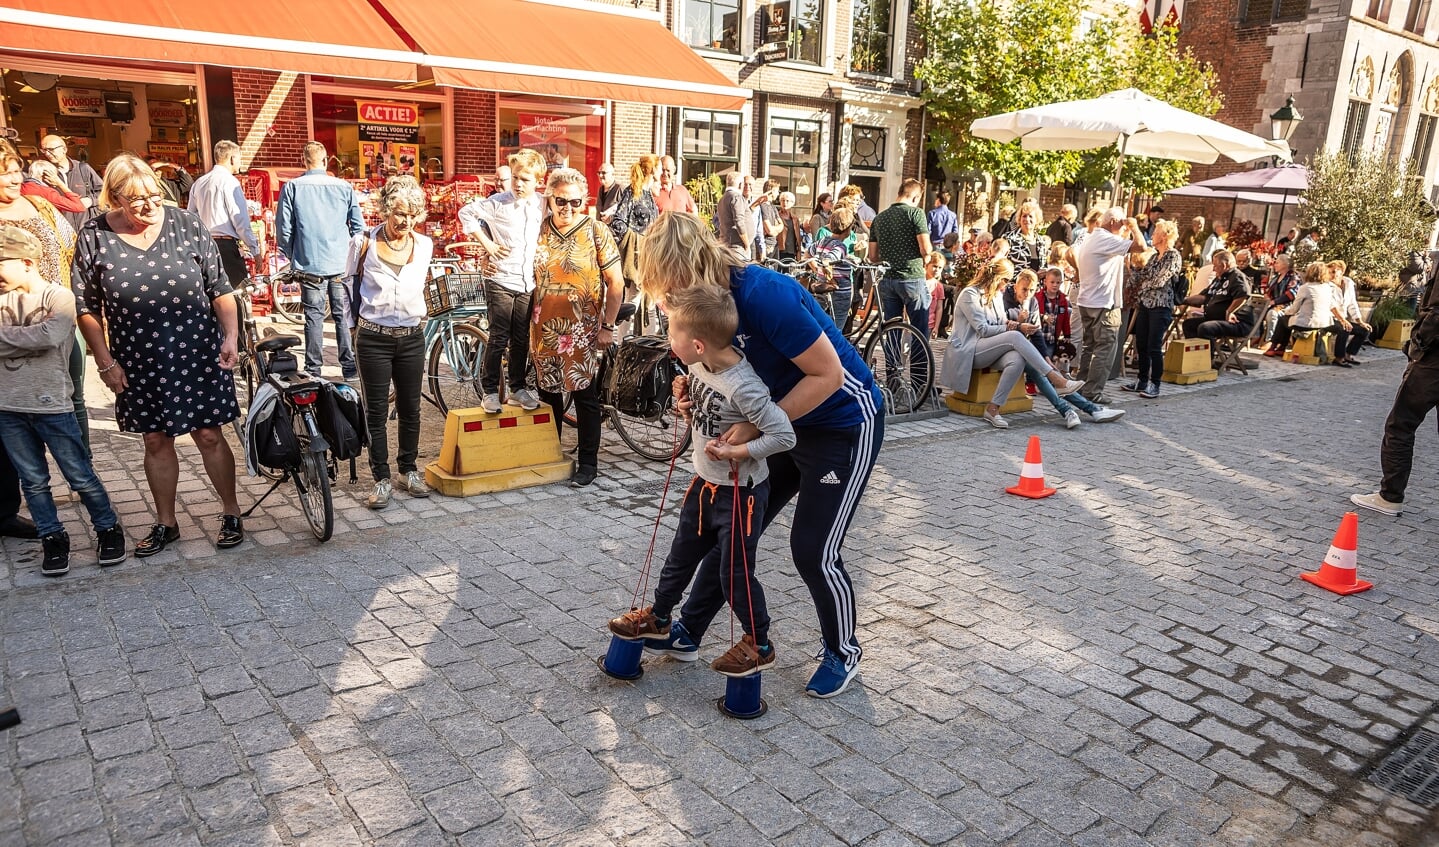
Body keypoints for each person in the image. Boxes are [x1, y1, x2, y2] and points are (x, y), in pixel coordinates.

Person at [639, 212, 882, 698]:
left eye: (667, 289)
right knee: (727, 530)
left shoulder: (762, 294)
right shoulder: (703, 306)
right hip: (776, 426)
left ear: (687, 267)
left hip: (840, 424)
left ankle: (843, 651)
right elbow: (722, 372)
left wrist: (752, 426)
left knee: (813, 551)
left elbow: (827, 377)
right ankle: (687, 631)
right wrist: (692, 392)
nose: (665, 302)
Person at [608, 283, 796, 676]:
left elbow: (784, 436)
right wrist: (685, 404)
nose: (666, 337)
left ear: (696, 344)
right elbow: (706, 418)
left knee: (734, 576)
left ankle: (758, 642)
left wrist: (738, 453)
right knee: (679, 558)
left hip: (740, 496)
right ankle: (659, 617)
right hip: (703, 485)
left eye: (671, 333)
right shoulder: (698, 365)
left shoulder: (745, 386)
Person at [72, 154, 244, 556]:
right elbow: (86, 306)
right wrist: (105, 362)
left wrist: (231, 336)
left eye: (154, 195)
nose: (149, 206)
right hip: (137, 357)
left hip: (198, 349)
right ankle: (167, 522)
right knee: (155, 439)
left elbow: (220, 288)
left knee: (208, 434)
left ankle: (232, 512)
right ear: (114, 198)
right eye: (136, 200)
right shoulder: (94, 235)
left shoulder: (185, 224)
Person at [0, 225, 125, 575]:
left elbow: (52, 335)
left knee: (79, 474)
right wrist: (28, 338)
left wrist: (16, 339)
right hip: (8, 408)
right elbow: (39, 338)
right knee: (33, 481)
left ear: (25, 261)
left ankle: (107, 528)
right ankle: (52, 537)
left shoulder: (59, 297)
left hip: (52, 405)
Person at [531, 169, 624, 487]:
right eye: (560, 200)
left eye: (574, 201)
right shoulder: (539, 229)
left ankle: (588, 463)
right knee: (548, 395)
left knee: (584, 396)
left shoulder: (596, 231)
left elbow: (616, 282)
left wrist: (607, 326)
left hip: (583, 333)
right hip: (543, 330)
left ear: (584, 201)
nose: (567, 207)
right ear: (550, 198)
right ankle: (550, 454)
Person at [347, 176, 434, 509]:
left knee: (411, 408)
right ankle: (381, 478)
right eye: (399, 213)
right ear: (385, 210)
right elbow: (347, 287)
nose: (406, 222)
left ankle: (408, 470)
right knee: (376, 411)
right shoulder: (363, 242)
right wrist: (353, 329)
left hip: (411, 336)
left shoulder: (424, 245)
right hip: (374, 338)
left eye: (412, 215)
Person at [942, 258, 1088, 428]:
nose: (1006, 286)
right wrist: (1014, 326)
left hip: (987, 347)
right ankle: (1057, 380)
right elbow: (982, 329)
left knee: (1017, 359)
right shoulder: (970, 294)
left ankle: (993, 409)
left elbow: (1000, 324)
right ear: (997, 278)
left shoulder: (996, 295)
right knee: (1015, 336)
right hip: (968, 350)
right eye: (1006, 280)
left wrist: (1010, 325)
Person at [460, 148, 546, 414]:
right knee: (499, 335)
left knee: (521, 337)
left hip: (526, 281)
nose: (519, 184)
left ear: (538, 181)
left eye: (526, 179)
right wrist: (487, 244)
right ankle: (489, 391)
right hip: (500, 277)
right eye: (516, 178)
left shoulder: (542, 203)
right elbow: (466, 213)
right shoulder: (498, 202)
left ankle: (517, 387)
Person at [1350, 265, 1439, 517]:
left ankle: (1390, 496)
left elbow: (1436, 312)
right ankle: (1390, 495)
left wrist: (1417, 346)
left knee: (1401, 424)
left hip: (1433, 360)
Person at [275, 141, 365, 380]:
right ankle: (349, 367)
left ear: (304, 161)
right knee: (343, 316)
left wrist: (291, 254)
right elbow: (358, 228)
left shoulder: (292, 186)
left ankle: (314, 369)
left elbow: (284, 228)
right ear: (325, 161)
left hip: (309, 262)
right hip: (340, 262)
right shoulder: (344, 187)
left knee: (313, 316)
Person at [1073, 207, 1146, 403]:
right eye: (1121, 224)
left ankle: (1082, 386)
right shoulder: (1105, 239)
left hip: (1087, 300)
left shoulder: (1091, 237)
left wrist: (1124, 229)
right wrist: (1134, 226)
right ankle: (1093, 392)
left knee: (1089, 347)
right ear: (1114, 222)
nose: (1123, 228)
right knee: (1105, 349)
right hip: (1103, 304)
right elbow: (1141, 247)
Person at [868, 179, 934, 347]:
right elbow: (926, 249)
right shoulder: (916, 214)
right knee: (919, 331)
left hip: (888, 280)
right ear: (915, 197)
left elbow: (873, 256)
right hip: (911, 277)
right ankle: (919, 373)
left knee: (891, 330)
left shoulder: (879, 218)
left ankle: (892, 372)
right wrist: (926, 259)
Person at [1123, 219, 1182, 399]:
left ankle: (1155, 384)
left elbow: (1159, 280)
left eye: (1156, 232)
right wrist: (1131, 273)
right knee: (1141, 344)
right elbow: (1144, 274)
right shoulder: (1155, 256)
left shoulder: (1173, 256)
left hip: (1161, 306)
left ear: (1164, 236)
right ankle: (1141, 381)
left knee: (1154, 346)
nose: (1153, 235)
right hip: (1146, 305)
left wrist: (1141, 285)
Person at [189, 140, 260, 288]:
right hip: (226, 247)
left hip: (205, 245)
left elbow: (191, 217)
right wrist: (255, 250)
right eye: (239, 158)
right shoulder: (230, 182)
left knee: (211, 294)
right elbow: (240, 220)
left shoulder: (199, 182)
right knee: (236, 295)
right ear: (232, 159)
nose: (240, 162)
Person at [1180, 250, 1255, 351]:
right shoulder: (1219, 279)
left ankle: (1207, 360)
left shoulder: (1237, 277)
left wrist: (1229, 311)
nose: (1214, 269)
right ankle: (1196, 356)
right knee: (1189, 324)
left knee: (1206, 328)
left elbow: (1243, 295)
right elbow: (1203, 297)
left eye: (1215, 266)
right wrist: (1182, 300)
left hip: (1237, 322)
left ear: (1224, 265)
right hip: (1217, 319)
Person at [1270, 261, 1339, 355]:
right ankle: (1281, 347)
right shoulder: (1327, 288)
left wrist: (1285, 311)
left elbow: (1294, 309)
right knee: (1287, 320)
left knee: (1283, 319)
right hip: (1324, 323)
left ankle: (1274, 346)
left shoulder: (1306, 288)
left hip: (1307, 324)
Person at [809, 204, 859, 329]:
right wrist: (830, 277)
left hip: (822, 288)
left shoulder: (822, 240)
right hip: (839, 293)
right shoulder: (841, 246)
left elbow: (807, 254)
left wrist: (817, 269)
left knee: (821, 327)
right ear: (848, 229)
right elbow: (829, 259)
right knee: (837, 329)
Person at [39, 135, 102, 231]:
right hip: (62, 233)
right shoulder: (43, 173)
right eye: (44, 150)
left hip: (88, 230)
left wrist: (90, 200)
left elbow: (103, 192)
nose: (47, 154)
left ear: (64, 149)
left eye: (51, 149)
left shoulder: (83, 169)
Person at [1328, 260, 1371, 367]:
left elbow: (1352, 303)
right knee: (1345, 328)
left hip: (1342, 318)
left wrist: (1360, 321)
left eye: (1334, 272)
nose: (1331, 275)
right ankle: (1339, 358)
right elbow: (1331, 305)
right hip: (1329, 318)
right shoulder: (1327, 286)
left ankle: (1348, 354)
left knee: (1364, 330)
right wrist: (1343, 320)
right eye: (1329, 272)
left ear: (1341, 272)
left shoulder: (1348, 283)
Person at [1262, 255, 1301, 356]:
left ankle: (1270, 341)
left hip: (1288, 306)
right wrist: (1266, 295)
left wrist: (1275, 302)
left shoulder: (1293, 277)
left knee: (1273, 314)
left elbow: (1292, 294)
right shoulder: (1276, 277)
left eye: (1277, 262)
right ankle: (1254, 338)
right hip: (1272, 303)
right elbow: (1268, 288)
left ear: (1285, 264)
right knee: (1255, 310)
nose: (1275, 264)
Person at [714, 172, 753, 262]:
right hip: (737, 247)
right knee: (739, 273)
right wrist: (747, 244)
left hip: (728, 244)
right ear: (740, 185)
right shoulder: (736, 197)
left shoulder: (723, 198)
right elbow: (739, 222)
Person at [1002, 200, 1049, 274]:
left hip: (1036, 284)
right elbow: (1001, 264)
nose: (1027, 219)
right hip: (1014, 284)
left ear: (1037, 220)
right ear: (1019, 219)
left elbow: (1044, 265)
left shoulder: (1041, 241)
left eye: (1030, 216)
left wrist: (1043, 272)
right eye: (1024, 216)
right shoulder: (1008, 238)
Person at [774, 191, 804, 261]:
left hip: (791, 251)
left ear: (792, 203)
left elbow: (798, 237)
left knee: (789, 271)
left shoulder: (795, 218)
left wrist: (798, 252)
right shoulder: (776, 216)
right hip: (779, 250)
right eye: (783, 200)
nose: (785, 203)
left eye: (787, 201)